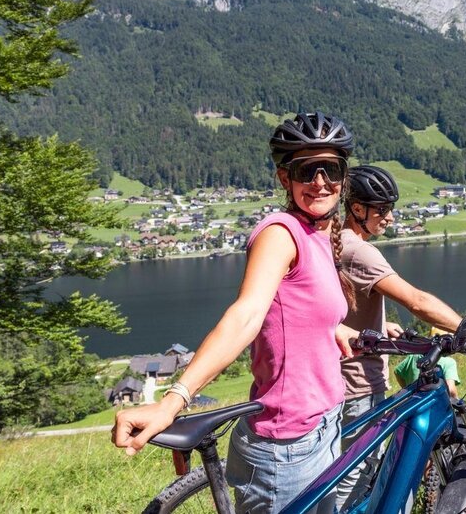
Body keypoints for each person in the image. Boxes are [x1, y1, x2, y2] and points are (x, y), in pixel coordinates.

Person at [111, 112, 359, 514]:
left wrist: (336, 329)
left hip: (324, 426)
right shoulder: (281, 233)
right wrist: (174, 400)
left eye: (329, 169)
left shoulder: (318, 233)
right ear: (285, 178)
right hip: (286, 450)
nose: (319, 182)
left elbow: (297, 310)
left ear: (343, 175)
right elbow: (246, 315)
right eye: (306, 170)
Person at [335, 165, 463, 509]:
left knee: (353, 474)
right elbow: (416, 300)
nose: (389, 218)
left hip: (341, 382)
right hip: (358, 386)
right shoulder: (359, 250)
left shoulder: (334, 241)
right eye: (382, 209)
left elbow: (339, 307)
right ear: (356, 209)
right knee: (356, 478)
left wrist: (379, 326)